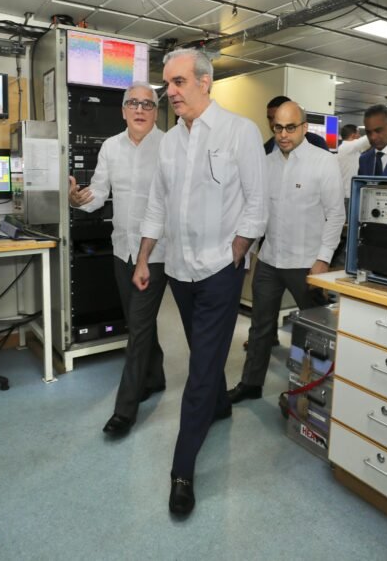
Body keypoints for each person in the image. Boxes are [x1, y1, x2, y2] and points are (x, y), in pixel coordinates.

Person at [133, 48, 267, 517]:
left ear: (206, 82)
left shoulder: (239, 132)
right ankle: (221, 407)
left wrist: (239, 248)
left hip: (218, 272)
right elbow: (157, 205)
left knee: (199, 368)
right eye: (166, 84)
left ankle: (182, 471)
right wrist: (146, 257)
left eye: (178, 83)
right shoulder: (169, 142)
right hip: (179, 271)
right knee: (203, 356)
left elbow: (257, 201)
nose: (169, 93)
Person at [229, 101, 344, 405]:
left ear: (304, 128)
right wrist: (250, 250)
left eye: (290, 127)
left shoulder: (324, 162)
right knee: (259, 328)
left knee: (313, 332)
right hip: (269, 260)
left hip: (307, 264)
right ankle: (250, 384)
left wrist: (323, 260)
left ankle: (310, 393)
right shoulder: (266, 164)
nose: (283, 134)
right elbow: (259, 211)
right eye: (277, 127)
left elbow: (336, 215)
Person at [68, 82, 167, 439]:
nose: (140, 109)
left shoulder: (170, 146)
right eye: (133, 103)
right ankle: (155, 377)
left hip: (157, 252)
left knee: (137, 328)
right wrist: (79, 200)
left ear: (156, 111)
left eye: (147, 103)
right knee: (137, 319)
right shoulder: (111, 147)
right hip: (121, 247)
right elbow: (99, 193)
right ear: (123, 110)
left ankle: (124, 411)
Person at [263, 95, 329, 154]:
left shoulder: (316, 142)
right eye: (270, 119)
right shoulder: (266, 148)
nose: (273, 123)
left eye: (277, 117)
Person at [337, 123, 370, 202]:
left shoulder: (348, 149)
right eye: (358, 133)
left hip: (348, 193)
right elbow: (368, 138)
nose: (360, 135)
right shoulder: (348, 147)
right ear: (353, 135)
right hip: (348, 195)